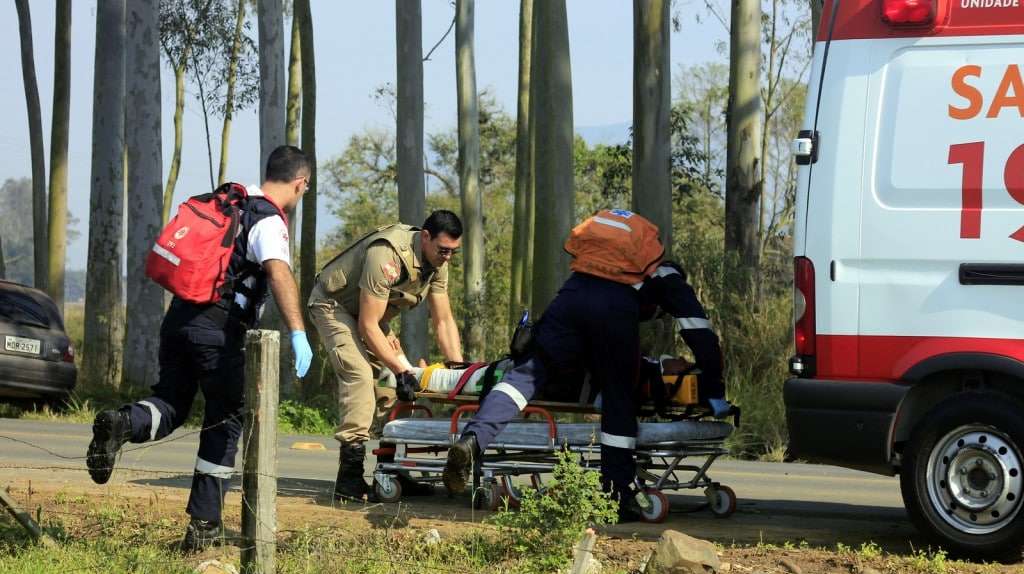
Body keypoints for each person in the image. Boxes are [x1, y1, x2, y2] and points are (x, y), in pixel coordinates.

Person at [85, 145, 314, 551]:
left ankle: (122, 422)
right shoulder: (267, 221)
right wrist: (298, 331)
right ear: (300, 183)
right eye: (305, 190)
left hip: (178, 318)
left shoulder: (231, 200)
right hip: (219, 328)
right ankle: (203, 526)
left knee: (169, 404)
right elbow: (278, 272)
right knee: (225, 420)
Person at [442, 213, 728, 522]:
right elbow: (702, 336)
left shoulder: (603, 261)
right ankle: (618, 495)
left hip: (570, 298)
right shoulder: (669, 280)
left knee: (525, 377)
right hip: (613, 310)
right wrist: (714, 392)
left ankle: (473, 440)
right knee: (620, 396)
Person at [308, 209, 465, 502]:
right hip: (335, 307)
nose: (448, 258)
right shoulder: (388, 254)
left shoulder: (438, 262)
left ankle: (394, 469)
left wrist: (458, 371)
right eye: (444, 250)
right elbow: (367, 325)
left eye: (453, 252)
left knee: (396, 389)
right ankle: (349, 480)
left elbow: (443, 320)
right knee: (359, 375)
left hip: (372, 316)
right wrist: (402, 369)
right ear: (426, 237)